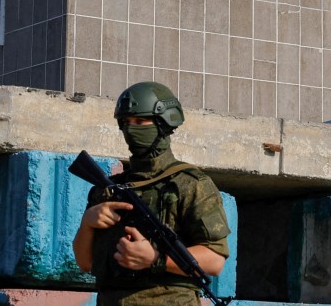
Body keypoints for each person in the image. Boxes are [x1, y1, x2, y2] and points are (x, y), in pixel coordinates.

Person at [72, 81, 231, 306]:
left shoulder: (190, 184)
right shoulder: (107, 190)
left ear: (163, 124)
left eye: (140, 122)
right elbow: (85, 263)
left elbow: (214, 260)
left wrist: (156, 259)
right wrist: (87, 223)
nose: (131, 129)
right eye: (126, 123)